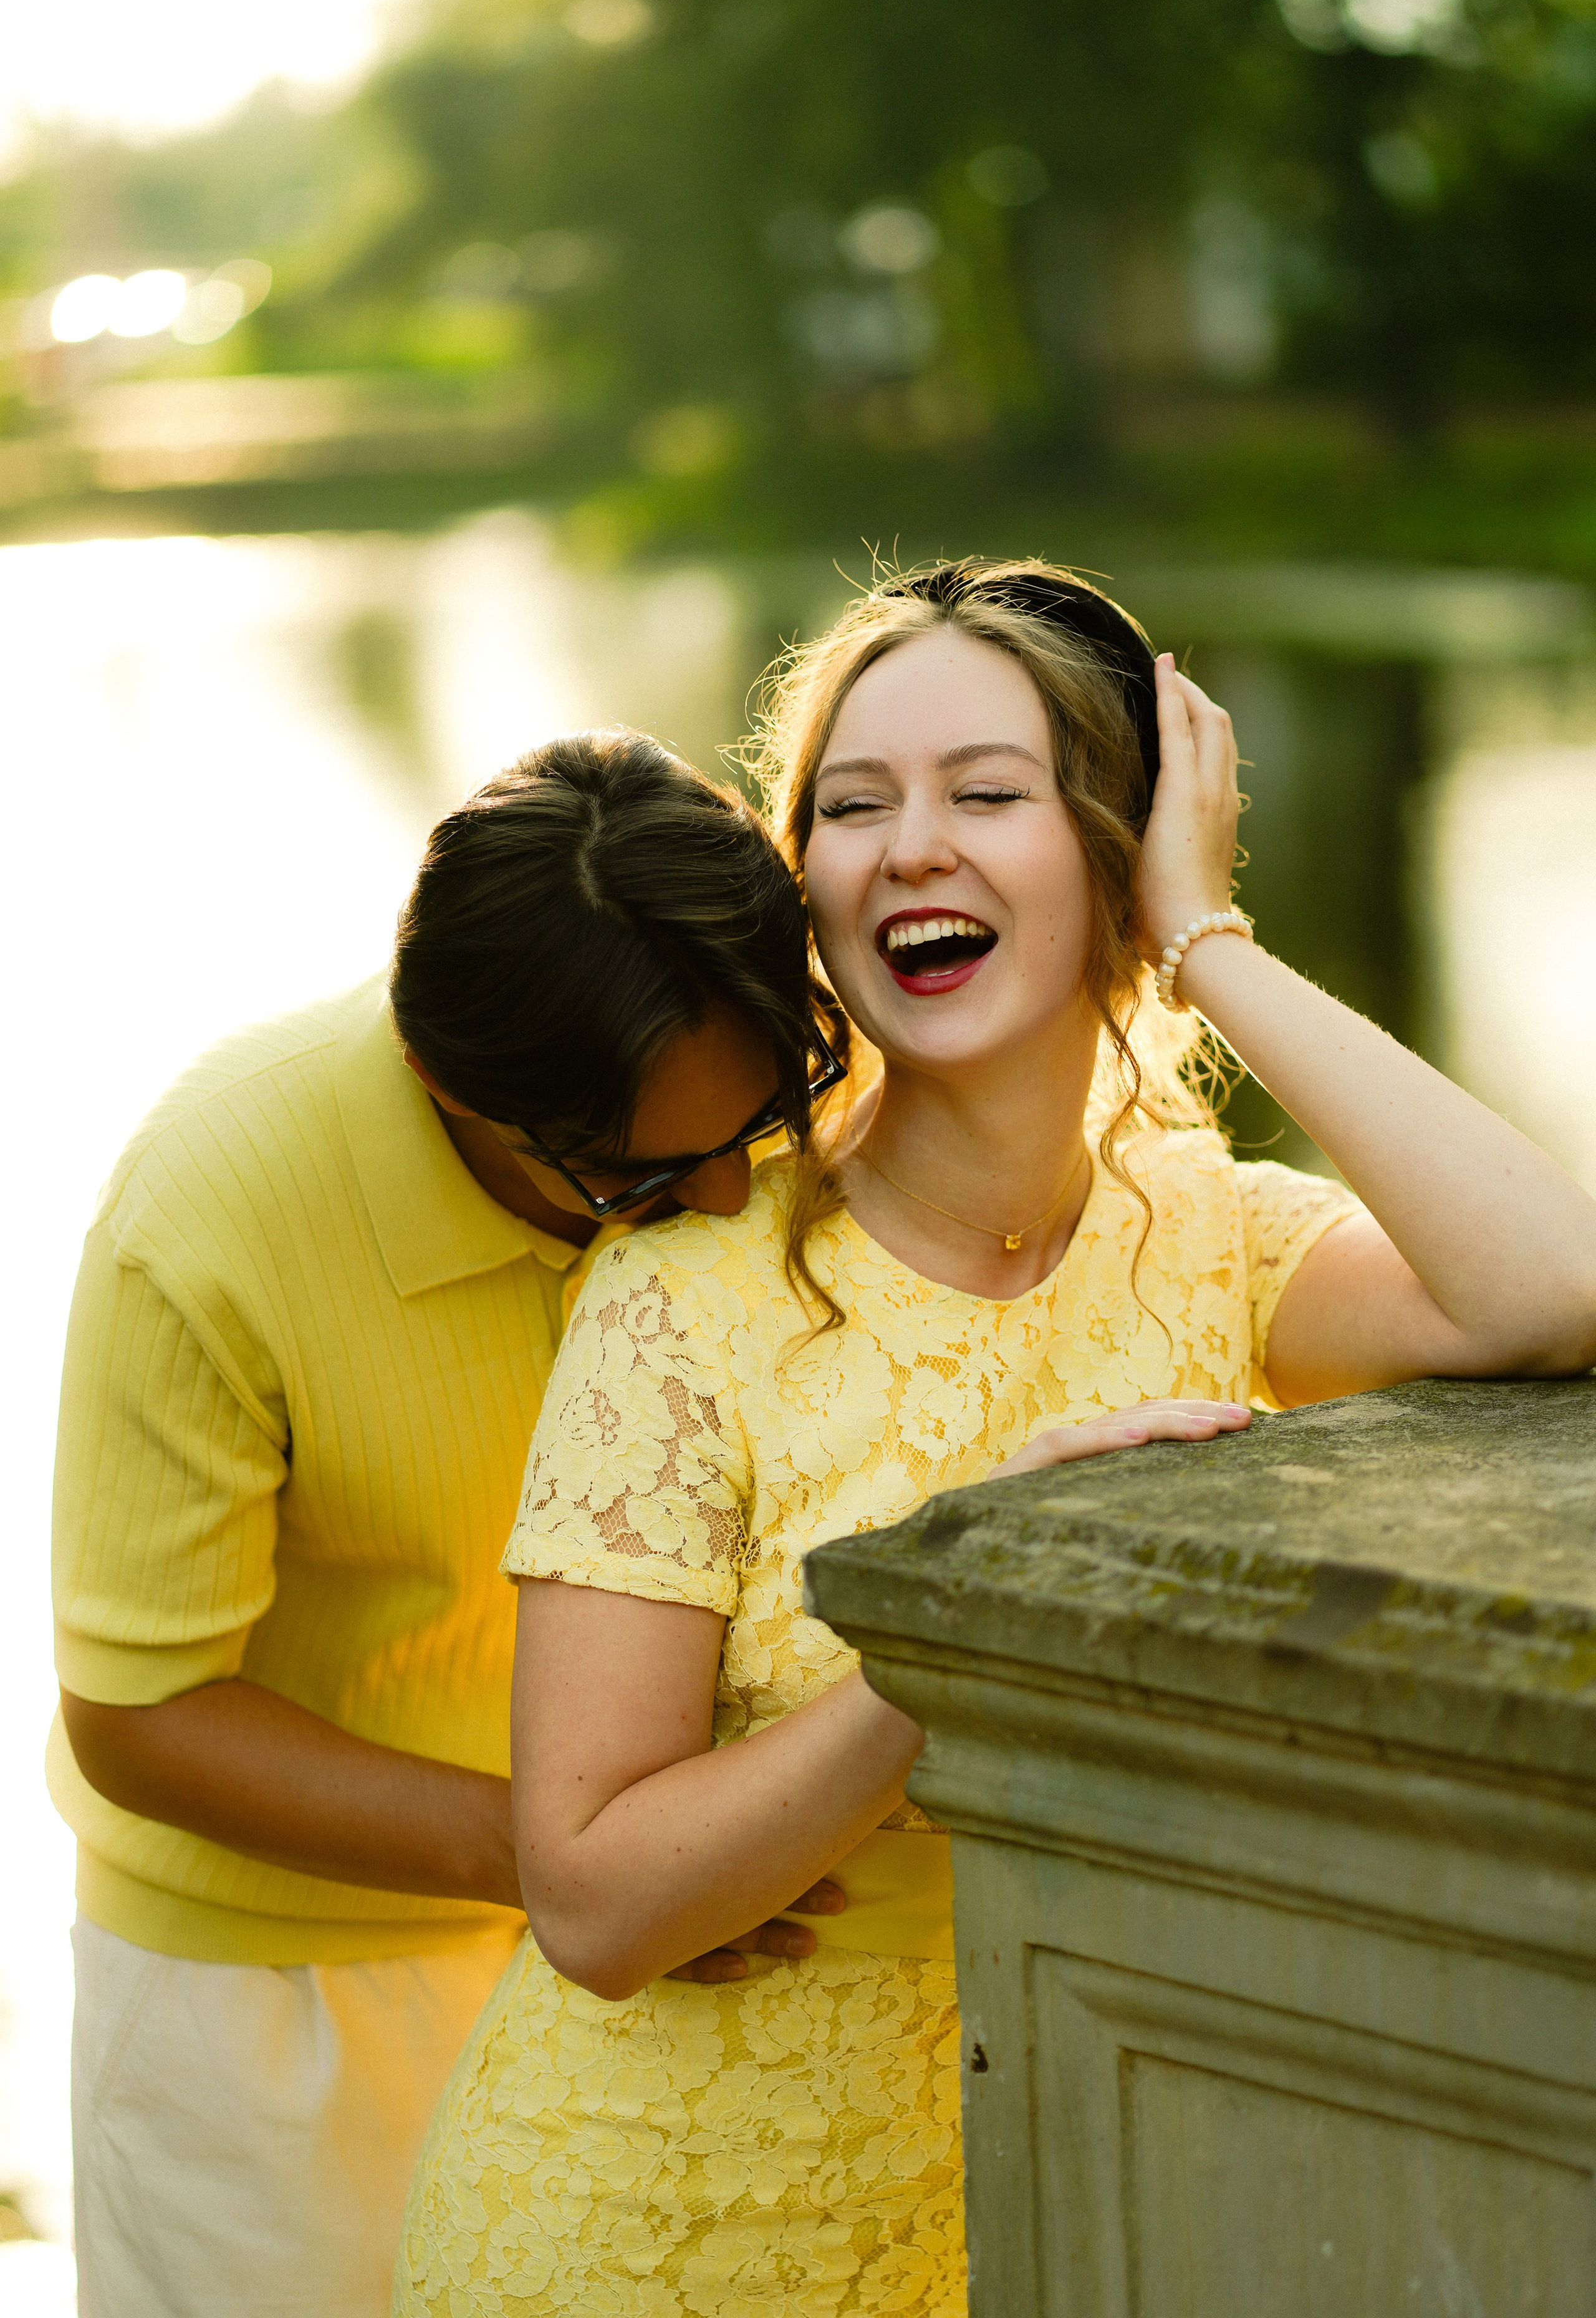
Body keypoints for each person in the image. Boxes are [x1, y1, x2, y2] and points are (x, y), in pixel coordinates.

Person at [393, 559, 1596, 2318]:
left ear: (1110, 857)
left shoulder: (1213, 1238)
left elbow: (1552, 1290)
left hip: (1060, 2217)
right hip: (651, 2241)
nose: (911, 847)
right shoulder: (688, 1297)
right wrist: (949, 1625)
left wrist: (1208, 937)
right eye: (853, 807)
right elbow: (592, 1899)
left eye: (988, 793)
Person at [50, 732, 855, 2318]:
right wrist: (575, 1866)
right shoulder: (209, 1212)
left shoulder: (727, 1128)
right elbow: (138, 1718)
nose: (716, 1212)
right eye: (638, 1181)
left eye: (758, 1128)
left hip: (647, 1944)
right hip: (278, 2002)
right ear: (447, 1090)